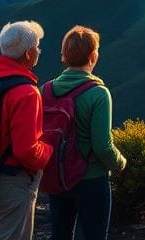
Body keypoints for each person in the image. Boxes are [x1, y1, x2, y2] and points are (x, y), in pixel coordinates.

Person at [47, 26, 127, 240]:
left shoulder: (45, 90)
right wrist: (120, 163)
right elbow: (102, 145)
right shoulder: (98, 93)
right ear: (93, 56)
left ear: (64, 56)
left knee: (60, 234)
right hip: (90, 178)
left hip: (57, 175)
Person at [0, 20, 54, 240]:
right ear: (29, 53)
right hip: (10, 181)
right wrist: (48, 151)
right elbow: (26, 150)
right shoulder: (26, 92)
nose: (38, 51)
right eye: (37, 47)